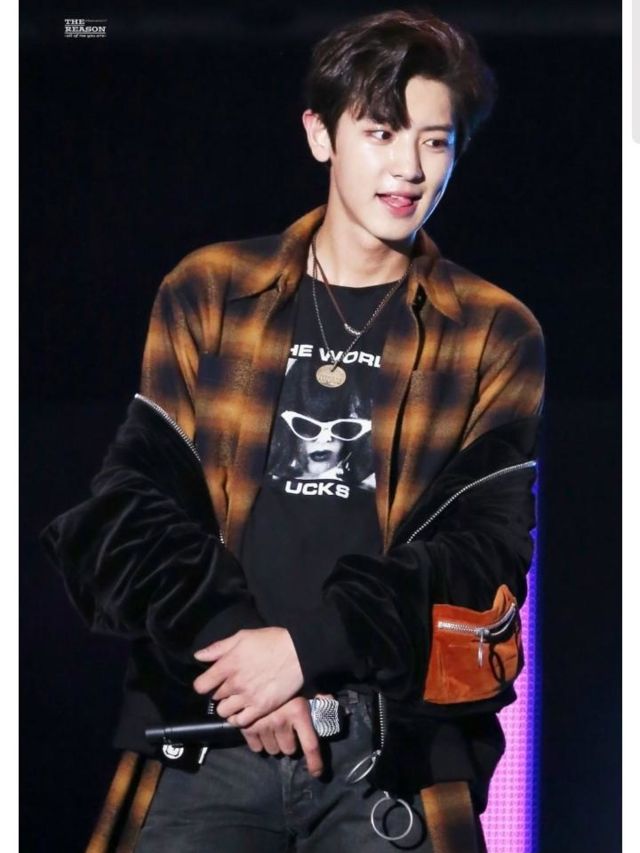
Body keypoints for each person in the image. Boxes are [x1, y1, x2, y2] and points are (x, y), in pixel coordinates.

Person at [42, 8, 545, 853]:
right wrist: (242, 656)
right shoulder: (212, 291)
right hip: (209, 730)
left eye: (435, 141)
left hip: (386, 751)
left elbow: (481, 554)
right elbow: (130, 510)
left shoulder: (492, 331)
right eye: (381, 132)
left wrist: (306, 651)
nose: (409, 168)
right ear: (321, 134)